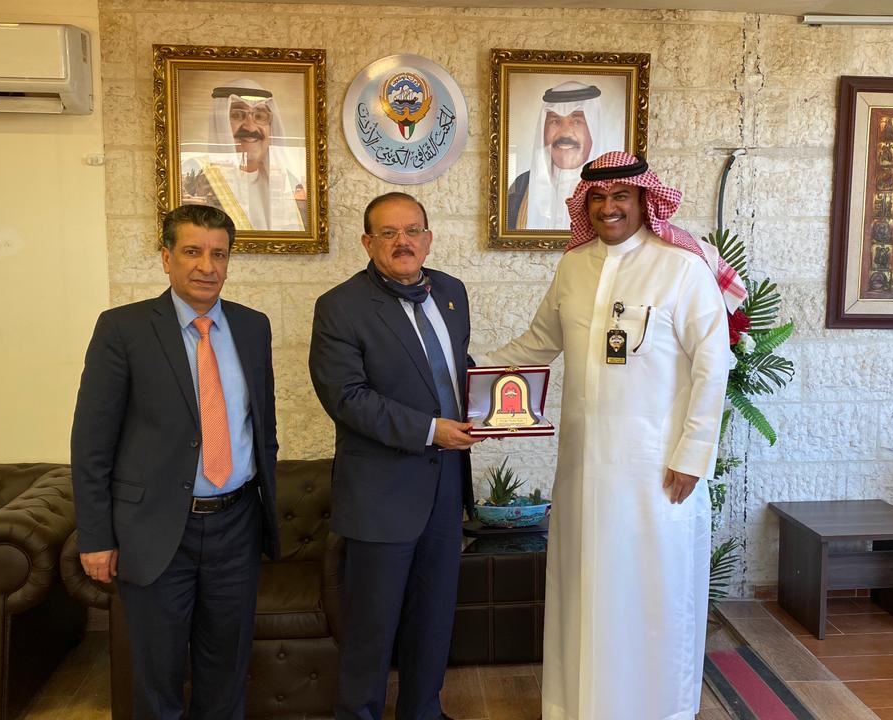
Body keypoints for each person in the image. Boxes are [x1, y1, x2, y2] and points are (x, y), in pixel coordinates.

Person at [480, 151, 747, 720]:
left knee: (651, 590)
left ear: (645, 200)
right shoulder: (573, 267)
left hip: (658, 471)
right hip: (583, 470)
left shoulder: (681, 268)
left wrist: (693, 454)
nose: (608, 208)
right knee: (585, 590)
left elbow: (713, 365)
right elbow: (536, 345)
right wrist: (466, 375)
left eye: (621, 196)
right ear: (584, 205)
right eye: (597, 198)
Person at [71, 204, 279, 719]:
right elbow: (92, 443)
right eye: (192, 252)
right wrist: (95, 536)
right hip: (156, 529)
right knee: (157, 677)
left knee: (226, 670)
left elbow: (262, 428)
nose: (207, 266)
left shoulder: (253, 327)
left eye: (219, 254)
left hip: (237, 525)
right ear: (166, 258)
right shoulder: (123, 329)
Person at [309, 192, 481, 720]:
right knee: (372, 627)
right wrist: (431, 430)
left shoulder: (451, 291)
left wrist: (495, 402)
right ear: (368, 242)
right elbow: (347, 398)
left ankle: (422, 711)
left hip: (445, 485)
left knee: (434, 617)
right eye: (388, 233)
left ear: (428, 238)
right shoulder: (340, 306)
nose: (402, 242)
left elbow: (450, 368)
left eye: (411, 231)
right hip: (380, 494)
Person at [181, 78, 306, 232]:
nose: (250, 127)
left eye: (259, 116)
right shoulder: (197, 172)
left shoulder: (288, 181)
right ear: (220, 122)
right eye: (237, 115)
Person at [505, 81, 618, 231]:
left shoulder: (615, 190)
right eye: (555, 121)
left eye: (576, 121)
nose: (565, 132)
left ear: (593, 129)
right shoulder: (521, 186)